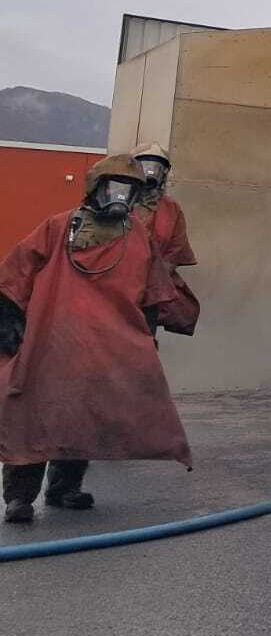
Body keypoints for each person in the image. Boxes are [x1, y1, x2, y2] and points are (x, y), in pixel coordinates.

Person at [1, 155, 191, 523]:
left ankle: (64, 488)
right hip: (48, 340)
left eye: (128, 189)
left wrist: (144, 339)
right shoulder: (59, 227)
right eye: (113, 187)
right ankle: (19, 497)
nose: (120, 196)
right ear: (95, 189)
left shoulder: (139, 238)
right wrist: (8, 323)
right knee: (32, 416)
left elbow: (151, 295)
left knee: (83, 416)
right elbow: (16, 271)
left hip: (102, 347)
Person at [131, 142, 201, 336]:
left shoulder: (171, 210)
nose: (151, 172)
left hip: (149, 297)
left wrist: (149, 283)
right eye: (145, 164)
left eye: (157, 166)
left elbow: (175, 253)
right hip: (116, 293)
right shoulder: (117, 204)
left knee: (143, 343)